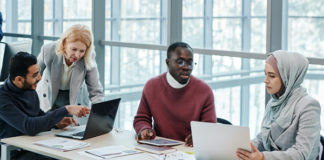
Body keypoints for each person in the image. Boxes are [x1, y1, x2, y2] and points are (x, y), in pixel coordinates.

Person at [0, 52, 90, 159]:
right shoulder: (2, 97)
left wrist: (55, 123)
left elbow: (38, 116)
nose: (40, 78)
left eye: (38, 73)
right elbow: (29, 126)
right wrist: (66, 109)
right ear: (19, 79)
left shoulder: (28, 88)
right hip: (13, 152)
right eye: (34, 75)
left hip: (32, 146)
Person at [236, 51, 321, 160]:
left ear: (287, 77)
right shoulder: (275, 101)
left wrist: (263, 157)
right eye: (265, 74)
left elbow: (301, 154)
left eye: (271, 76)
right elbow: (264, 136)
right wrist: (245, 149)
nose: (265, 81)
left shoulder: (309, 106)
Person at [133, 42, 216, 146]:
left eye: (190, 63)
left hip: (190, 150)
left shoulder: (204, 91)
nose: (186, 67)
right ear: (168, 63)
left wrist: (200, 136)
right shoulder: (152, 86)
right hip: (160, 150)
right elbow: (141, 118)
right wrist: (144, 130)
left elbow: (210, 128)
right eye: (180, 62)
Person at [36, 24, 104, 114]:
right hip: (50, 95)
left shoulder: (88, 56)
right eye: (74, 49)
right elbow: (33, 77)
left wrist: (100, 114)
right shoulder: (48, 50)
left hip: (74, 99)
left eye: (82, 51)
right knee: (50, 124)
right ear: (64, 43)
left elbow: (95, 91)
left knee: (74, 126)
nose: (77, 55)